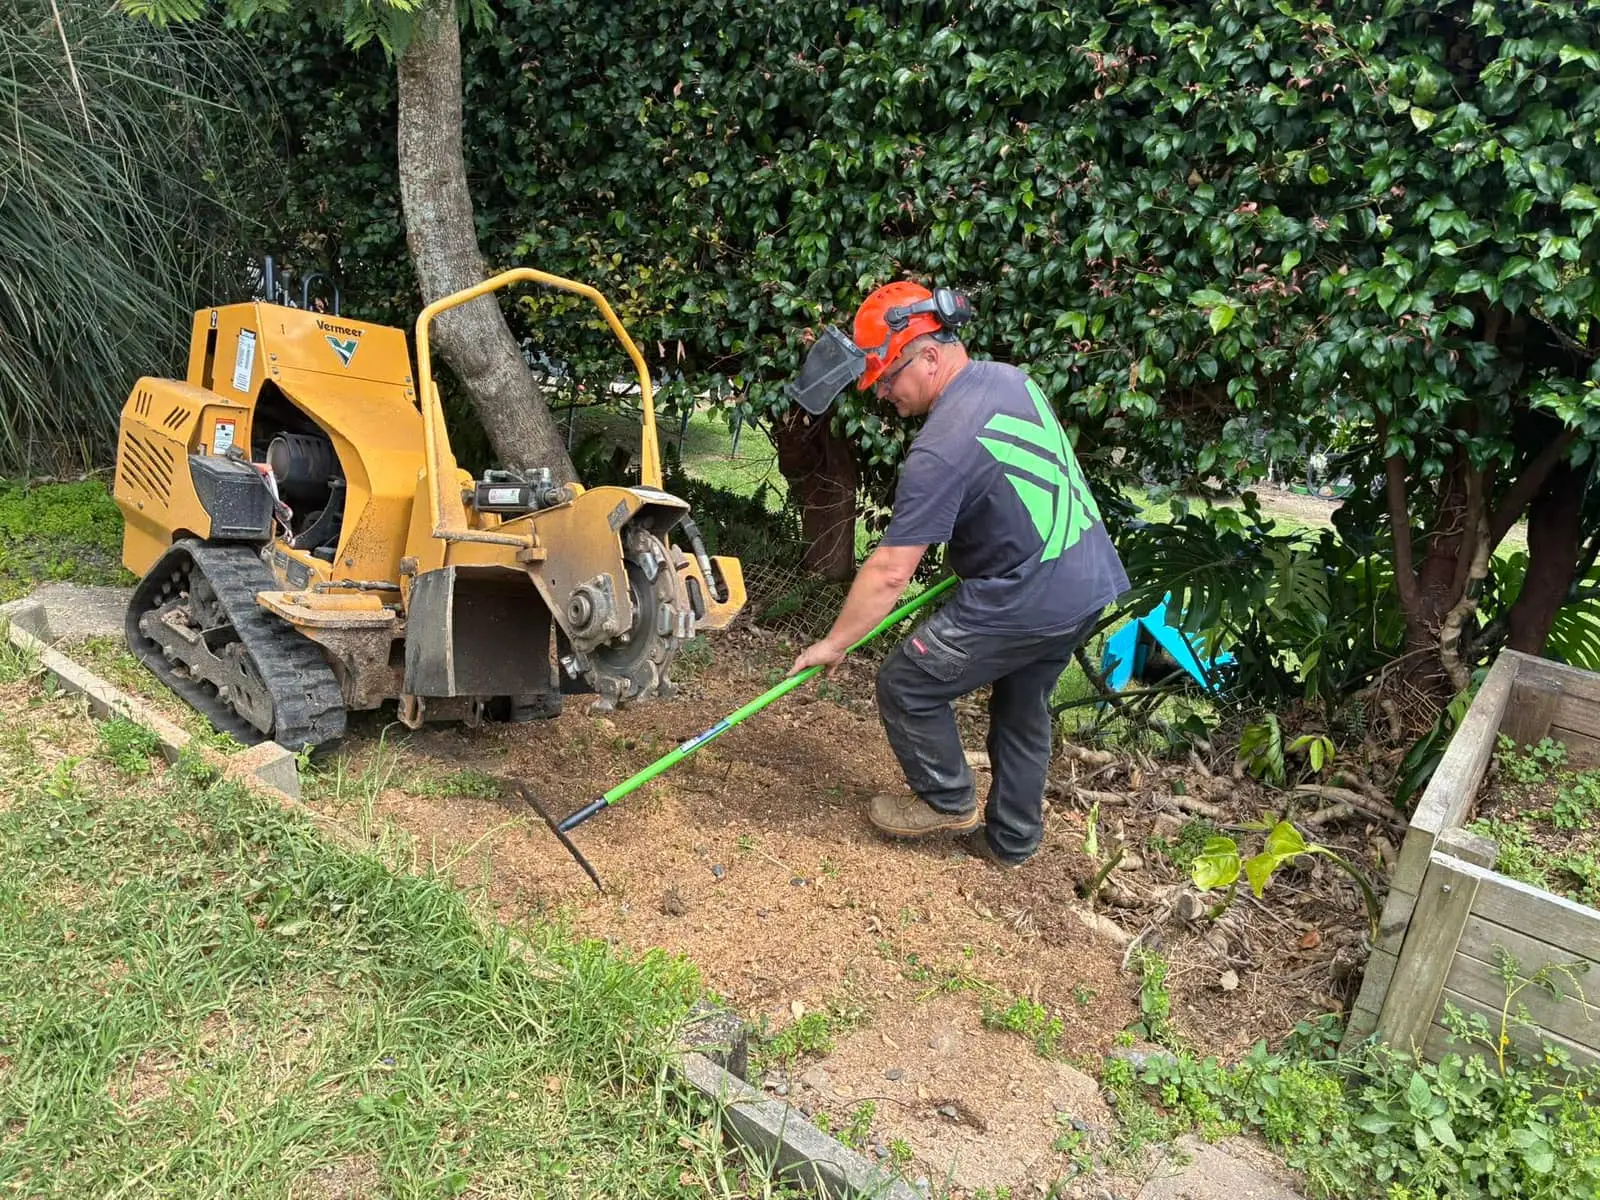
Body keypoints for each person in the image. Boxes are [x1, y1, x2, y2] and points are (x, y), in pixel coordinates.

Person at [787, 281, 1128, 866]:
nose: (884, 394)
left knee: (907, 683)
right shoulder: (1009, 379)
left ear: (928, 355)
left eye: (888, 378)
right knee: (1022, 707)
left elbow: (893, 570)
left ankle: (946, 798)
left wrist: (835, 643)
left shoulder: (939, 449)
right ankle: (1010, 843)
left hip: (1028, 592)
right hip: (1085, 580)